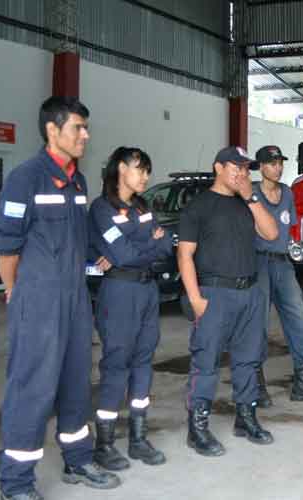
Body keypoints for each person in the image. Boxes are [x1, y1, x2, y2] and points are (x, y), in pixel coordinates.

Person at [0, 96, 120, 500]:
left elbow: (74, 237)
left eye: (86, 128)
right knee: (32, 386)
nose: (86, 135)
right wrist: (18, 292)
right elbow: (7, 250)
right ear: (53, 130)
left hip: (75, 300)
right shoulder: (24, 178)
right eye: (78, 127)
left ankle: (77, 459)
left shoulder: (77, 181)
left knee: (76, 381)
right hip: (39, 301)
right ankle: (15, 483)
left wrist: (90, 259)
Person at [177, 146, 279, 456]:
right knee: (206, 362)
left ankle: (245, 418)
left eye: (246, 169)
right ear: (218, 168)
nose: (242, 173)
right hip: (214, 294)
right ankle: (198, 428)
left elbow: (272, 233)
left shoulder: (245, 203)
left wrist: (251, 198)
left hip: (249, 292)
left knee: (248, 359)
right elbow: (185, 255)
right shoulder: (199, 206)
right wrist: (195, 298)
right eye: (236, 167)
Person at [89, 147, 173, 471]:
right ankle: (104, 444)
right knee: (116, 364)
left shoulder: (143, 206)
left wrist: (147, 245)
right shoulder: (101, 209)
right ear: (121, 169)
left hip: (148, 290)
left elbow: (166, 246)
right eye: (141, 169)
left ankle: (138, 439)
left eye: (148, 171)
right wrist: (150, 243)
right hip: (120, 291)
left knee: (144, 361)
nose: (146, 177)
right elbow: (122, 255)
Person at [252, 145, 303, 407]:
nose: (278, 167)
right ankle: (256, 385)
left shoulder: (287, 193)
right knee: (257, 324)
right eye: (272, 163)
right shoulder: (250, 194)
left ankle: (302, 383)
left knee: (300, 318)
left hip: (283, 263)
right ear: (261, 166)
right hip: (257, 263)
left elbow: (290, 228)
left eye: (280, 163)